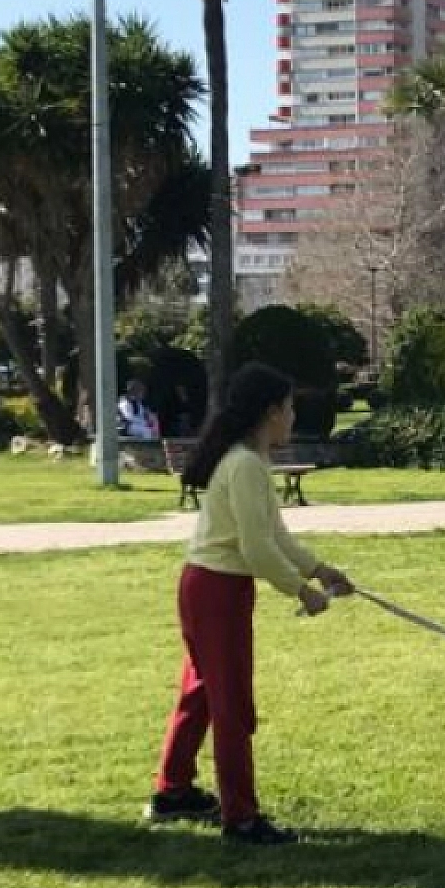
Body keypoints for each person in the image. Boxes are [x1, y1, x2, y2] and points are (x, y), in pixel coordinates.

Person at [145, 362, 353, 845]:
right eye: (289, 408)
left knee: (201, 694)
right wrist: (303, 593)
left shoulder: (251, 464)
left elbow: (275, 537)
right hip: (215, 590)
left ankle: (172, 791)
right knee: (231, 705)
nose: (293, 416)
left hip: (213, 588)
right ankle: (240, 818)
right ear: (270, 412)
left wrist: (320, 571)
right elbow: (255, 549)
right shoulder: (242, 466)